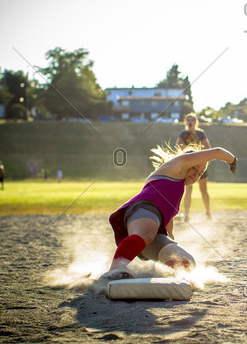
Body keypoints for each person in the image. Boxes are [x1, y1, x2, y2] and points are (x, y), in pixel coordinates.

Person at [101, 144, 237, 281]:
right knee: (147, 233)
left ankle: (159, 276)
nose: (196, 174)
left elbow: (168, 229)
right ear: (188, 161)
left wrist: (171, 251)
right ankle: (114, 270)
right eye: (194, 167)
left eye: (200, 173)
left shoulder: (176, 192)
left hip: (150, 229)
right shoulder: (178, 165)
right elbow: (218, 152)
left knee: (186, 261)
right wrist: (233, 161)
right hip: (141, 209)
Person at [176, 113, 212, 220]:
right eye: (188, 120)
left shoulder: (200, 133)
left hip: (200, 163)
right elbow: (177, 145)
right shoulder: (184, 133)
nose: (190, 122)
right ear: (186, 122)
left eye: (192, 120)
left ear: (195, 122)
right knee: (188, 189)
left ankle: (208, 212)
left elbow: (208, 147)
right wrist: (189, 148)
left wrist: (197, 150)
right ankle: (186, 214)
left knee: (203, 189)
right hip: (189, 165)